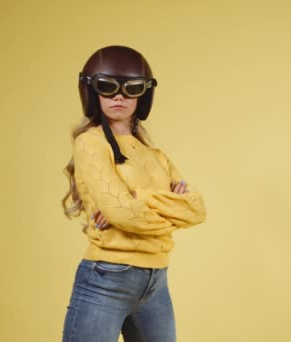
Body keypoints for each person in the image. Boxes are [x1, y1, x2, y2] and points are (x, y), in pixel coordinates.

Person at [60, 45, 206, 342]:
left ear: (143, 95)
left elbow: (197, 209)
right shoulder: (91, 143)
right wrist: (169, 212)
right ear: (92, 92)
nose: (119, 96)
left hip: (156, 282)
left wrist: (140, 199)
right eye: (107, 86)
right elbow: (122, 214)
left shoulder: (156, 155)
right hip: (106, 278)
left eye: (131, 88)